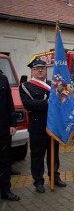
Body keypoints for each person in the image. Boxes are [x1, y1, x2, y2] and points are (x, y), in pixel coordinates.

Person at [19, 59, 66, 193]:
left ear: (46, 70)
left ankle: (54, 177)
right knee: (37, 155)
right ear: (32, 71)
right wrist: (47, 103)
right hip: (37, 126)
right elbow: (28, 104)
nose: (40, 70)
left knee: (54, 154)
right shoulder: (25, 86)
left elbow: (65, 94)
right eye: (37, 68)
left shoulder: (54, 84)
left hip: (53, 125)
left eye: (42, 68)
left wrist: (67, 85)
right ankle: (38, 181)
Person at [0, 73, 20, 201]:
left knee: (4, 161)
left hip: (3, 128)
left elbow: (9, 101)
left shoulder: (3, 78)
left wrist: (13, 123)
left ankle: (6, 190)